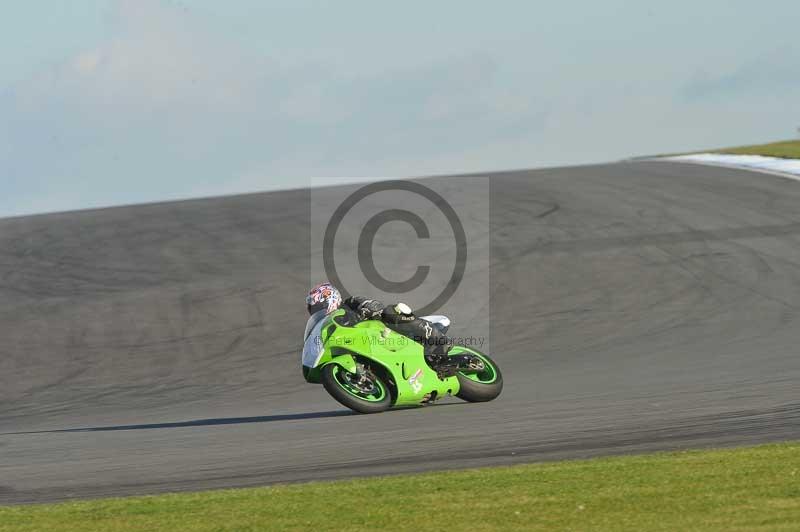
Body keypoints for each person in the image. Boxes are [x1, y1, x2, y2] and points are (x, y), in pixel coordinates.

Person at [305, 282, 451, 361]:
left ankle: (438, 340)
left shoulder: (351, 302)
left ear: (330, 298)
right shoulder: (331, 324)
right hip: (367, 344)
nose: (317, 311)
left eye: (318, 307)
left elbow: (374, 305)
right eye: (314, 310)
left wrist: (366, 310)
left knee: (391, 312)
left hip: (385, 330)